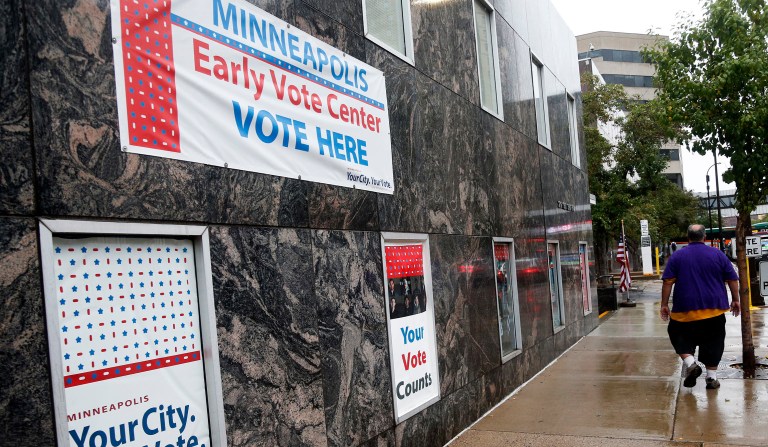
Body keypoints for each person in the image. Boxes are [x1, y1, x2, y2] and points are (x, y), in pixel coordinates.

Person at [660, 224, 740, 390]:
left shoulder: (677, 256)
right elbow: (732, 278)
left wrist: (664, 304)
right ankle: (711, 378)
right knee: (714, 342)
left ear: (688, 238)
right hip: (714, 310)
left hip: (685, 310)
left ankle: (690, 363)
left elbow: (668, 281)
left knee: (677, 334)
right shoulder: (717, 254)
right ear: (704, 237)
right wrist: (736, 300)